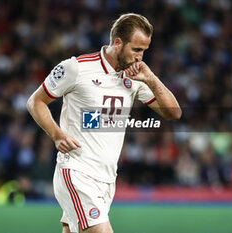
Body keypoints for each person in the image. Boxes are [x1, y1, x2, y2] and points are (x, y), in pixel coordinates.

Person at [27, 13, 181, 233]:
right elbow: (36, 101)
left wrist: (151, 78)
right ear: (118, 43)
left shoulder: (135, 77)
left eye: (144, 50)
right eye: (136, 49)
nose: (140, 57)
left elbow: (173, 113)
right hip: (77, 172)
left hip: (107, 179)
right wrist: (57, 134)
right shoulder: (76, 68)